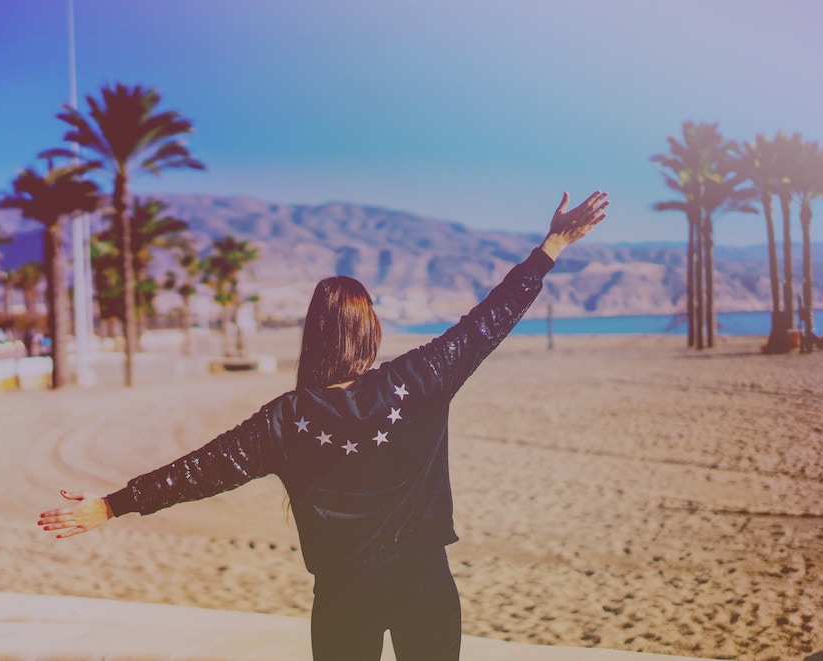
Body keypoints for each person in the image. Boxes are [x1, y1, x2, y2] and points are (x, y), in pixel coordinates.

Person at [38, 190, 609, 660]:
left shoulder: (286, 420)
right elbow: (489, 320)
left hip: (343, 599)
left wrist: (112, 505)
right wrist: (552, 246)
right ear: (368, 331)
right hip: (423, 585)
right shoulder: (421, 378)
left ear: (314, 334)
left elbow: (200, 471)